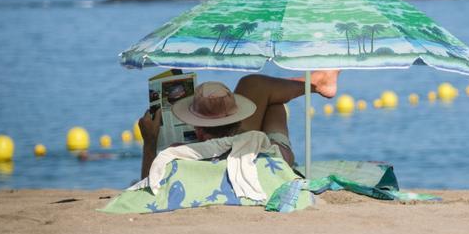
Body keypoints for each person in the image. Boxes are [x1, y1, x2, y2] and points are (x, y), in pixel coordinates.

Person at [138, 71, 339, 180]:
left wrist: (150, 142)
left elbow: (147, 184)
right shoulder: (260, 147)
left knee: (258, 89)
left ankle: (317, 82)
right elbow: (283, 158)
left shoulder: (177, 154)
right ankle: (315, 82)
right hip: (268, 156)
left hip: (228, 155)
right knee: (263, 93)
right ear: (238, 120)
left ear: (198, 130)